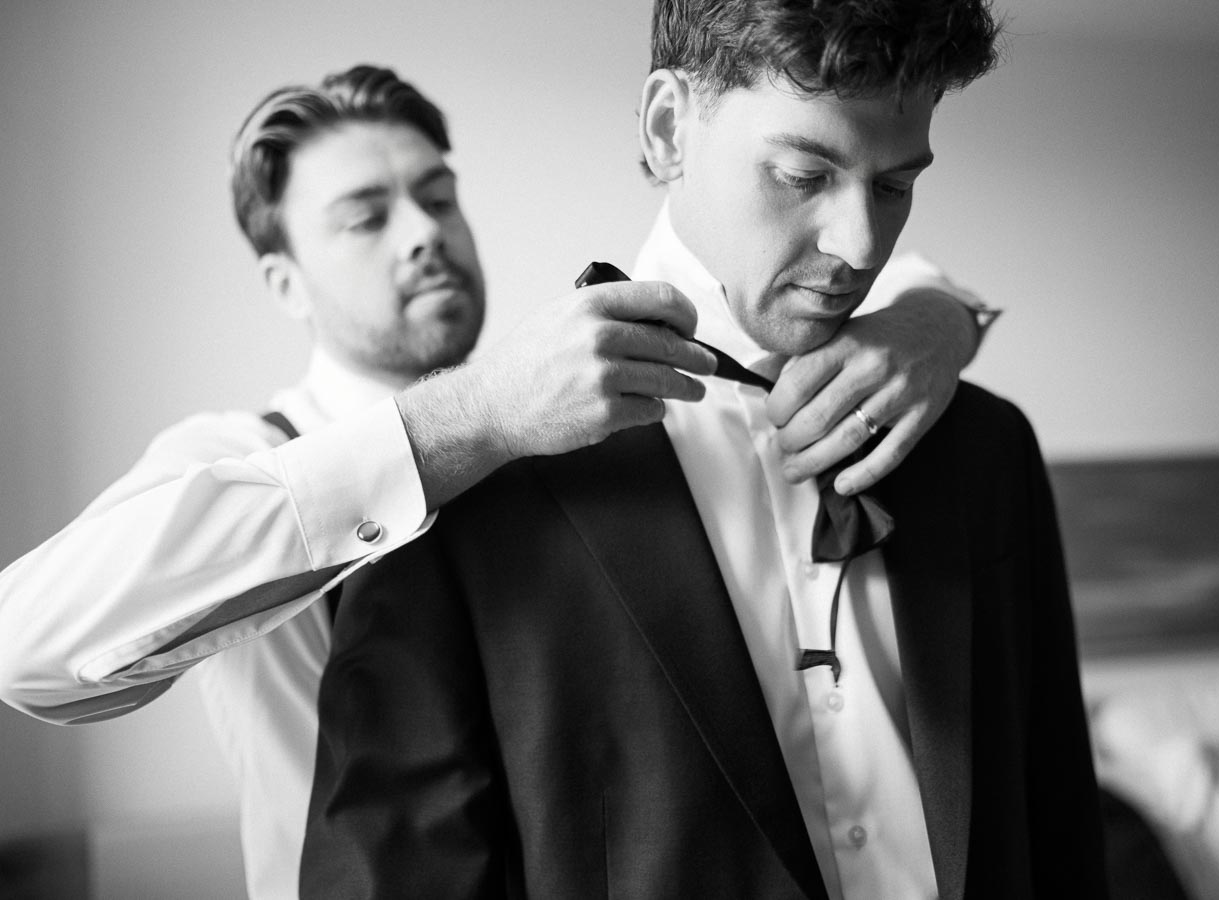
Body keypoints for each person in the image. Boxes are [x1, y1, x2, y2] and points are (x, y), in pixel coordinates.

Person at [0, 65, 994, 899]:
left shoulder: (564, 421)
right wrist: (461, 421)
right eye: (364, 217)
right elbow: (27, 652)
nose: (422, 232)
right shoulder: (242, 453)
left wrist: (937, 308)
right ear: (284, 282)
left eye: (436, 195)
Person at [300, 2, 1108, 898]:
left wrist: (946, 314)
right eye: (804, 173)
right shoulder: (457, 479)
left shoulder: (988, 449)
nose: (860, 246)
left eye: (894, 186)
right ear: (669, 127)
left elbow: (1060, 827)